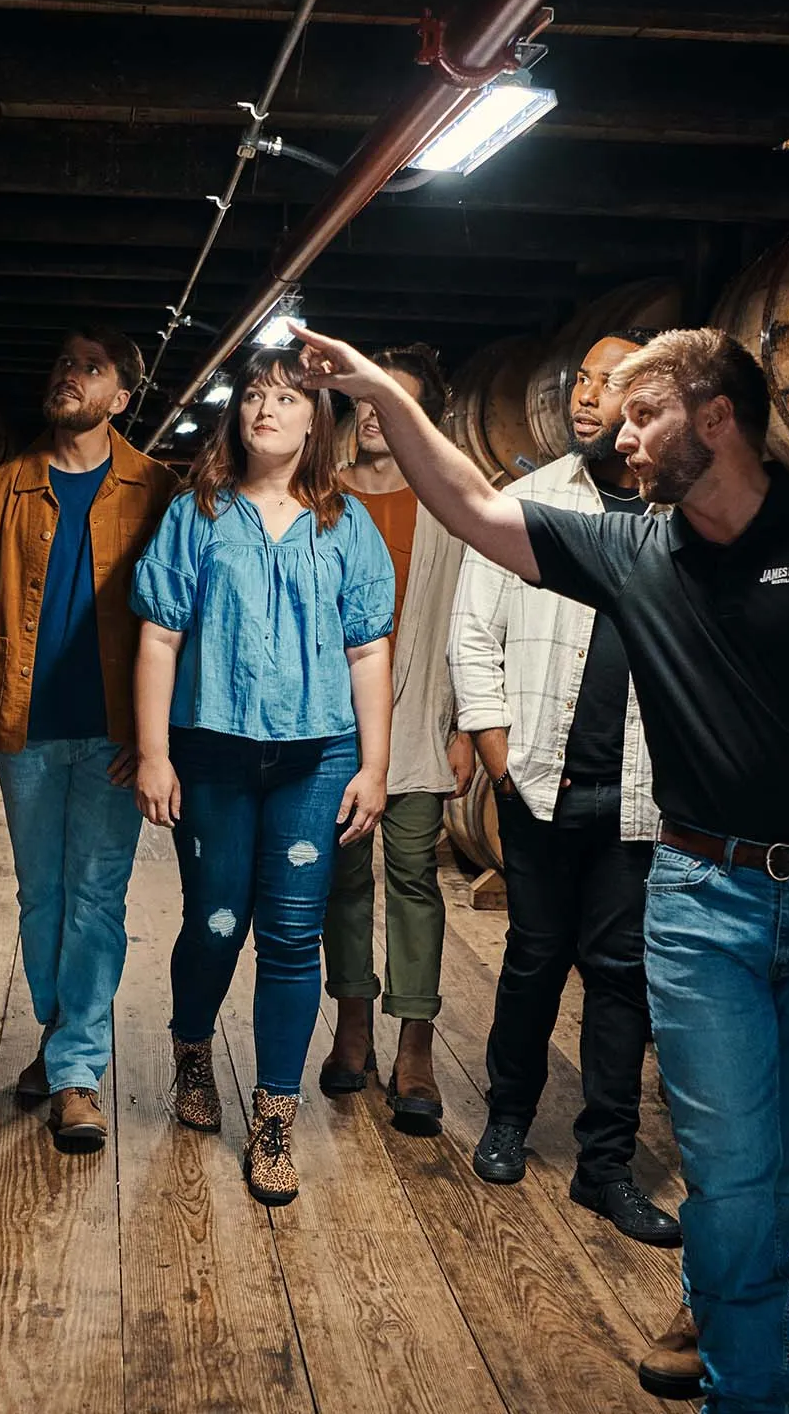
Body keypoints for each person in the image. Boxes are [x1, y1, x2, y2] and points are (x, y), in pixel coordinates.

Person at [292, 319, 789, 1414]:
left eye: (645, 415)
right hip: (701, 902)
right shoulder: (638, 551)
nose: (622, 437)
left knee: (786, 1175)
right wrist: (378, 393)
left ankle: (711, 1303)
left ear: (717, 416)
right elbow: (471, 503)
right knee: (735, 1176)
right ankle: (753, 1392)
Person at [131, 346, 395, 1207]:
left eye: (287, 397)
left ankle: (275, 1114)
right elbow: (161, 637)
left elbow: (367, 649)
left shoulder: (345, 523)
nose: (266, 408)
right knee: (213, 923)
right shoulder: (196, 514)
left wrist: (376, 767)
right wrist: (155, 752)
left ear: (317, 419)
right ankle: (192, 1052)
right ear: (235, 415)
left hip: (317, 757)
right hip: (211, 749)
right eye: (253, 394)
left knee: (291, 937)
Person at [448, 330, 680, 1248]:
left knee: (623, 982)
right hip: (538, 779)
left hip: (642, 796)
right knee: (535, 960)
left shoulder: (684, 517)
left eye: (609, 383)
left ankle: (606, 1167)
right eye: (581, 378)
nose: (585, 396)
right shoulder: (529, 501)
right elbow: (475, 633)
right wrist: (498, 754)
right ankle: (509, 1117)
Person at [0, 327, 178, 1154]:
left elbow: (180, 619)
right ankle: (60, 1029)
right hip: (23, 728)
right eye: (63, 362)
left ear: (121, 397)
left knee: (96, 899)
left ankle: (77, 1073)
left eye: (91, 368)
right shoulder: (5, 488)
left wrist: (157, 739)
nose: (68, 376)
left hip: (113, 733)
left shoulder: (156, 489)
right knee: (41, 899)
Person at [320, 344, 474, 1137]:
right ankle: (353, 1028)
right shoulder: (324, 500)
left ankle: (415, 1041)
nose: (373, 412)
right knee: (342, 880)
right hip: (331, 728)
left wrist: (458, 724)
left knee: (413, 876)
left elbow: (466, 624)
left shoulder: (447, 507)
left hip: (416, 724)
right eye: (364, 398)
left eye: (393, 401)